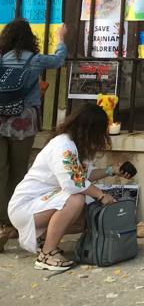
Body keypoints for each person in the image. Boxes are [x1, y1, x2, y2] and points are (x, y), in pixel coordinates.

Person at [6, 103, 132, 270]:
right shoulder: (63, 145)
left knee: (82, 219)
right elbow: (74, 182)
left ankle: (45, 240)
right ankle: (47, 254)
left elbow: (84, 175)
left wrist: (112, 170)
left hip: (41, 204)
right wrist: (101, 195)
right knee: (75, 200)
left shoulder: (74, 145)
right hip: (26, 207)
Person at [0, 19, 68, 253]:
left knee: (1, 170)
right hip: (23, 122)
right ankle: (13, 222)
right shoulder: (34, 59)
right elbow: (59, 60)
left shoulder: (1, 59)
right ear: (30, 38)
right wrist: (61, 39)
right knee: (19, 171)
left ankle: (0, 223)